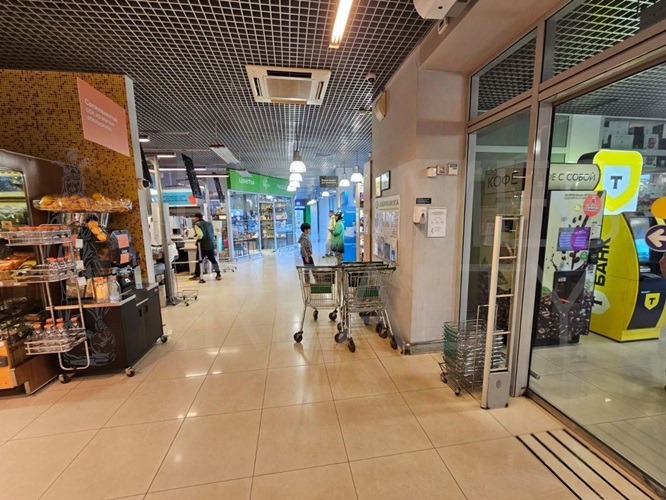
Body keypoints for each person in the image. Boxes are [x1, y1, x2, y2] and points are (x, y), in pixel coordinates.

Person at [189, 212, 222, 282]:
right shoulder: (209, 224)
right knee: (213, 260)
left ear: (197, 218)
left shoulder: (197, 224)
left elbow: (200, 235)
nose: (194, 219)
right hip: (210, 244)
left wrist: (197, 240)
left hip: (202, 245)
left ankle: (197, 275)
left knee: (199, 260)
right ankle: (218, 274)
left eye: (195, 218)